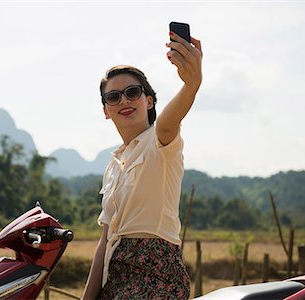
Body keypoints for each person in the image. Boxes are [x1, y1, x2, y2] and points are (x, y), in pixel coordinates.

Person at [81, 31, 203, 300]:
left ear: (149, 101)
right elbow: (105, 241)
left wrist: (191, 85)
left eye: (132, 92)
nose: (123, 100)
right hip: (115, 279)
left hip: (155, 277)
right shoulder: (113, 166)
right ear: (105, 110)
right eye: (113, 97)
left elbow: (170, 121)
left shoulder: (160, 142)